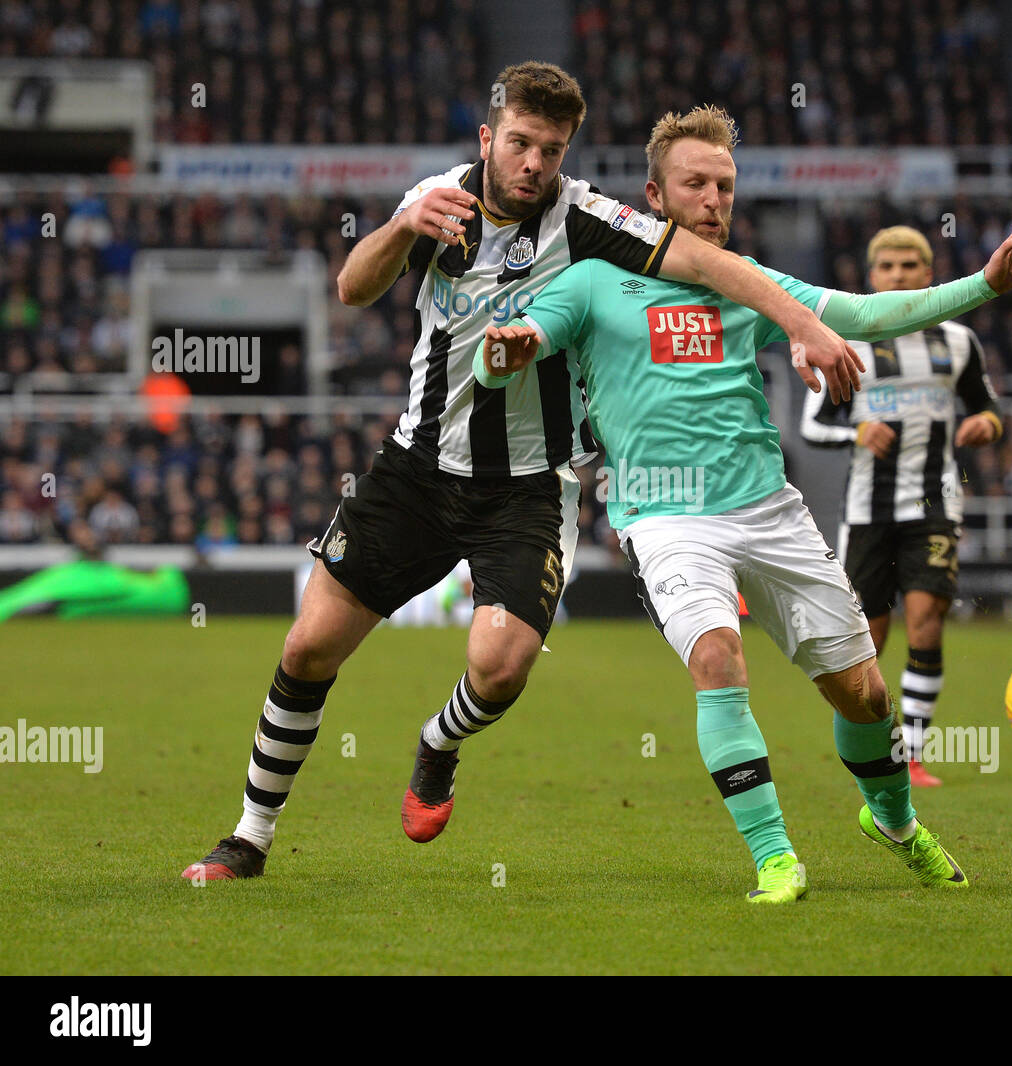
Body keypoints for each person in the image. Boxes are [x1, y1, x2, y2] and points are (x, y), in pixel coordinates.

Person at [181, 63, 865, 882]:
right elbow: (352, 285)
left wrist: (802, 325)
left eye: (552, 148)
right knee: (310, 646)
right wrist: (402, 226)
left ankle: (439, 743)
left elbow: (717, 267)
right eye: (520, 143)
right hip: (417, 469)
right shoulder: (440, 201)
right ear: (488, 138)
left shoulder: (587, 220)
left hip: (530, 487)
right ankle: (249, 839)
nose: (534, 162)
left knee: (500, 669)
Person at [475, 105, 1012, 901]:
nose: (714, 199)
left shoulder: (751, 285)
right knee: (718, 656)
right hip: (664, 517)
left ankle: (893, 820)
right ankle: (776, 858)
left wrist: (984, 285)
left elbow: (864, 313)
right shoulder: (593, 282)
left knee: (863, 693)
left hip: (767, 511)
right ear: (654, 195)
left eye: (725, 185)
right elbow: (521, 344)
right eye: (696, 184)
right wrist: (507, 351)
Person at [801, 225, 1003, 788]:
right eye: (886, 267)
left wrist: (987, 423)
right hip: (868, 512)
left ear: (928, 272)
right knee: (869, 637)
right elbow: (812, 426)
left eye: (908, 266)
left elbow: (987, 406)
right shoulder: (847, 339)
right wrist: (856, 432)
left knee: (927, 622)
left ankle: (912, 755)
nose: (897, 275)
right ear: (872, 276)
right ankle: (869, 746)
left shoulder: (959, 342)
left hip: (935, 503)